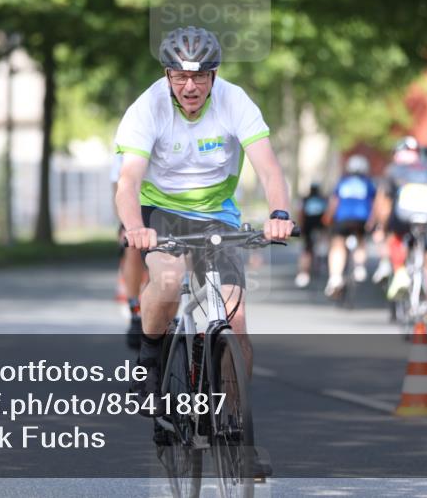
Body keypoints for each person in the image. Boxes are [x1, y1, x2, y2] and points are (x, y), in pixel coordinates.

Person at [115, 26, 295, 417]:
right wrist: (135, 228)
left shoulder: (235, 101)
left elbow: (269, 168)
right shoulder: (148, 108)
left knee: (236, 317)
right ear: (167, 76)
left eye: (199, 76)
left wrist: (279, 213)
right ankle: (149, 362)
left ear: (214, 75)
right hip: (160, 212)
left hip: (217, 215)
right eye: (180, 76)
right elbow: (128, 181)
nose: (190, 86)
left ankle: (237, 432)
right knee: (165, 282)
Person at [372, 136, 427, 332]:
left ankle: (401, 273)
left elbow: (383, 204)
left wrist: (380, 227)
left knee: (395, 238)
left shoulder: (393, 170)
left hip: (403, 219)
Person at [110, 152, 150, 349]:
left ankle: (162, 311)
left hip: (171, 207)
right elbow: (117, 184)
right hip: (136, 206)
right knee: (133, 247)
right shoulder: (132, 134)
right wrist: (124, 222)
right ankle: (135, 311)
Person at [322, 154, 376, 298]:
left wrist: (328, 217)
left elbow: (334, 202)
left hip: (343, 218)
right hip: (361, 219)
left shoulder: (342, 182)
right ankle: (359, 267)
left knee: (337, 244)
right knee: (361, 241)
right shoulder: (368, 183)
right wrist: (372, 220)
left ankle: (335, 277)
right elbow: (374, 203)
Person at [294, 183, 328, 288]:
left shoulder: (305, 199)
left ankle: (304, 272)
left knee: (307, 249)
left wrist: (300, 226)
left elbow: (300, 213)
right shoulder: (323, 199)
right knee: (323, 244)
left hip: (308, 225)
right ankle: (322, 262)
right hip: (320, 225)